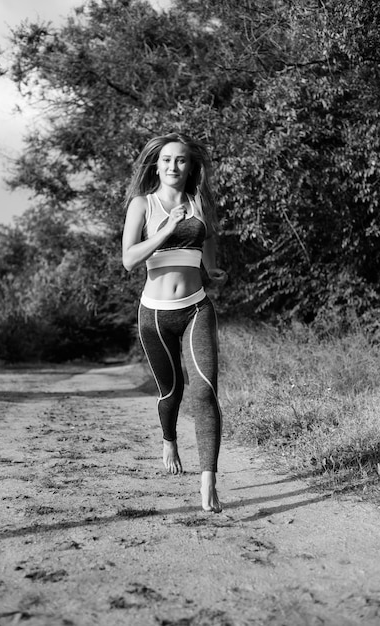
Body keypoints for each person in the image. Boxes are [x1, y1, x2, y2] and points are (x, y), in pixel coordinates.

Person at [122, 132, 227, 513]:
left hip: (197, 307)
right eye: (166, 159)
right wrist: (166, 229)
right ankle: (169, 439)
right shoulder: (142, 204)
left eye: (180, 160)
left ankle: (208, 481)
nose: (173, 166)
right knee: (172, 392)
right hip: (154, 314)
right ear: (156, 164)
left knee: (204, 391)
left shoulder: (200, 201)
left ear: (189, 166)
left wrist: (211, 266)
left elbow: (209, 235)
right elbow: (129, 260)